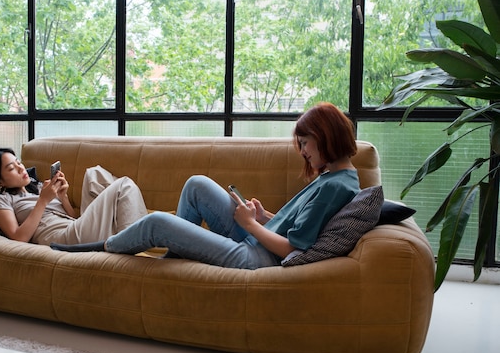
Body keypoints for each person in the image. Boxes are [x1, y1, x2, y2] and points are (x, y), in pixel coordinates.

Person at [50, 102, 360, 269]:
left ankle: (101, 247)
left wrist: (251, 226)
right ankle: (174, 262)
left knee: (158, 222)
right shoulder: (333, 176)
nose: (303, 151)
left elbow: (293, 248)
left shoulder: (335, 186)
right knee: (197, 185)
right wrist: (265, 216)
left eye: (305, 143)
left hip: (259, 259)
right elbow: (298, 226)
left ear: (326, 136)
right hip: (260, 241)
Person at [0, 148, 148, 246]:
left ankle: (125, 235)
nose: (21, 169)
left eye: (19, 162)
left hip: (76, 227)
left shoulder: (41, 188)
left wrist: (62, 197)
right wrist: (43, 200)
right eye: (12, 168)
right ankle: (130, 242)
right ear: (0, 182)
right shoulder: (1, 200)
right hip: (60, 238)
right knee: (124, 184)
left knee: (94, 174)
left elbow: (73, 219)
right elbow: (19, 237)